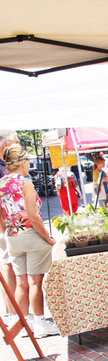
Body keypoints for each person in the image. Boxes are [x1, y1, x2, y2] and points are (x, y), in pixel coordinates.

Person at [0, 144, 60, 338]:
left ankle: (26, 324)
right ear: (23, 162)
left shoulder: (2, 183)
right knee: (35, 283)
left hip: (12, 236)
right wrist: (48, 238)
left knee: (21, 283)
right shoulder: (24, 183)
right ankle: (41, 324)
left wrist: (7, 232)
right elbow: (33, 217)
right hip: (29, 234)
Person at [0, 130, 18, 325]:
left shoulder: (3, 166)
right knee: (8, 266)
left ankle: (11, 312)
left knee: (8, 265)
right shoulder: (1, 168)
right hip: (5, 226)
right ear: (6, 145)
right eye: (15, 143)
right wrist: (4, 228)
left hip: (7, 226)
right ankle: (14, 314)